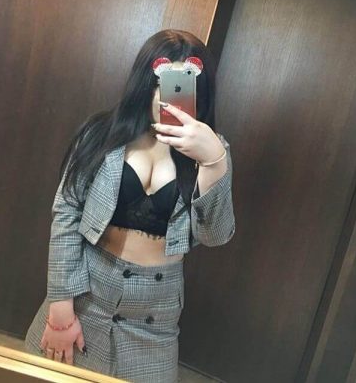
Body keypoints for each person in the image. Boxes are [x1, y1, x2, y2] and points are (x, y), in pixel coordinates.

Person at [24, 29, 236, 382]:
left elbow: (215, 236)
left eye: (184, 86)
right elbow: (66, 212)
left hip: (154, 314)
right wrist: (60, 306)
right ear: (145, 83)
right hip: (85, 293)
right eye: (164, 83)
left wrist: (213, 162)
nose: (170, 97)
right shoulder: (100, 134)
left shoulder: (213, 151)